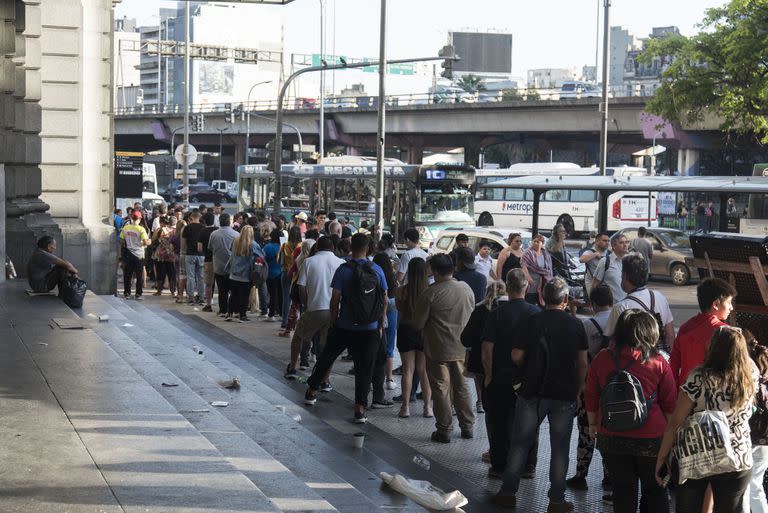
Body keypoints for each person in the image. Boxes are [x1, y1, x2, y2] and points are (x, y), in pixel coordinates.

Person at [493, 277, 588, 512]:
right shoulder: (576, 325)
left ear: (543, 298)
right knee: (559, 447)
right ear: (566, 300)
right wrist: (578, 391)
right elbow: (583, 363)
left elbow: (516, 355)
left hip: (532, 392)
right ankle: (556, 500)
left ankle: (508, 493)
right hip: (564, 394)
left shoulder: (532, 320)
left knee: (520, 443)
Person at [655, 326, 758, 513]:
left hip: (699, 454)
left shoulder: (699, 377)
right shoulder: (751, 374)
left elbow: (676, 421)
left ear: (714, 348)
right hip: (738, 457)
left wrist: (662, 458)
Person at [584, 309, 676, 513]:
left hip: (611, 436)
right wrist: (671, 438)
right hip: (651, 439)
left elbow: (590, 394)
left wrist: (592, 424)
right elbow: (670, 404)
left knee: (623, 491)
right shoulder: (658, 362)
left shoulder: (602, 358)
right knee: (655, 490)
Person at [304, 233, 388, 424]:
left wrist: (335, 321)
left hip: (345, 325)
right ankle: (359, 409)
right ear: (367, 248)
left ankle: (311, 391)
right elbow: (384, 298)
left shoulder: (343, 270)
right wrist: (380, 324)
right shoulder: (377, 270)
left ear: (351, 248)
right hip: (370, 327)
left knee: (327, 357)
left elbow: (335, 300)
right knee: (364, 368)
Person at [479, 269, 542, 478]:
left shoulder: (497, 313)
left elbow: (487, 348)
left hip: (501, 375)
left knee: (499, 421)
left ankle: (499, 466)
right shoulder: (536, 313)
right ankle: (528, 466)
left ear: (507, 286)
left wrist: (488, 374)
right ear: (526, 287)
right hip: (528, 378)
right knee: (529, 422)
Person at [411, 253, 476, 443]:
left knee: (440, 389)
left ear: (436, 272)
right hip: (462, 348)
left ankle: (444, 430)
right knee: (462, 387)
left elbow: (417, 324)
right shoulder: (466, 289)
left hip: (438, 348)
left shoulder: (430, 293)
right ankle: (467, 426)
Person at [566, 284, 614, 491]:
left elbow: (580, 361)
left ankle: (580, 475)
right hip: (613, 389)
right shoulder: (620, 322)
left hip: (590, 389)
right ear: (611, 301)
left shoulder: (586, 326)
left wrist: (578, 390)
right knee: (609, 432)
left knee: (586, 432)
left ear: (593, 304)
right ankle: (609, 477)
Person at [284, 236, 342, 379]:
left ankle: (292, 367)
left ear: (316, 248)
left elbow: (301, 287)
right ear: (333, 248)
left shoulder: (308, 262)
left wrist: (306, 304)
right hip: (334, 311)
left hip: (314, 308)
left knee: (298, 337)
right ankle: (325, 379)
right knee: (326, 346)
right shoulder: (340, 262)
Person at [670, 277, 737, 386]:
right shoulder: (725, 332)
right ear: (715, 304)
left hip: (685, 394)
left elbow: (673, 367)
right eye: (729, 302)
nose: (731, 308)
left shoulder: (684, 328)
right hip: (712, 395)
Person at [604, 254, 675, 353]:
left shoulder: (621, 307)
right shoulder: (659, 297)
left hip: (635, 364)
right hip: (660, 359)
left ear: (625, 275)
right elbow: (670, 335)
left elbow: (610, 342)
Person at [395, 258, 433, 419]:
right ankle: (427, 408)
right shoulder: (430, 291)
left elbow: (399, 309)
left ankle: (405, 407)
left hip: (405, 330)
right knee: (423, 371)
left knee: (407, 370)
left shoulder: (402, 291)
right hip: (423, 331)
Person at [462, 279, 506, 416]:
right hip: (503, 357)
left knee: (480, 377)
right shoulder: (508, 307)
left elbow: (466, 337)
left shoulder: (480, 308)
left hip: (479, 356)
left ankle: (480, 400)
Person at [746, 331, 768, 513]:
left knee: (744, 488)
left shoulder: (745, 374)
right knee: (756, 484)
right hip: (765, 436)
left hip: (747, 436)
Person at [373, 252, 399, 394]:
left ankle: (374, 378)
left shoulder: (374, 274)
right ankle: (389, 380)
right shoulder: (392, 276)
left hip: (378, 307)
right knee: (389, 346)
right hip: (392, 306)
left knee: (375, 344)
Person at [226, 225, 262, 322]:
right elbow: (261, 255)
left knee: (233, 294)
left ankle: (229, 313)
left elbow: (230, 251)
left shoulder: (235, 241)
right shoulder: (253, 244)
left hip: (233, 273)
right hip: (246, 275)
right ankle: (242, 315)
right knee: (244, 296)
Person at [208, 213, 238, 317]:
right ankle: (232, 310)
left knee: (222, 290)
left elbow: (210, 248)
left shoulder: (214, 234)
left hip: (218, 266)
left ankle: (223, 310)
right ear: (229, 222)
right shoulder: (236, 234)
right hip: (232, 267)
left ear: (220, 221)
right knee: (233, 290)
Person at [120, 210, 151, 300]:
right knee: (139, 274)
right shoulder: (141, 229)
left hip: (128, 254)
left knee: (128, 275)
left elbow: (121, 241)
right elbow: (145, 242)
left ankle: (127, 293)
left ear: (131, 218)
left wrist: (128, 244)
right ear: (140, 219)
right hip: (139, 255)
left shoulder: (125, 228)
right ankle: (138, 294)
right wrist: (149, 242)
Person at [591, 233, 630, 303]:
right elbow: (595, 285)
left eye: (626, 242)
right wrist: (593, 304)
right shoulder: (605, 261)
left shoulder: (629, 262)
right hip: (610, 307)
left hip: (626, 306)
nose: (625, 245)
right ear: (614, 246)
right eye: (621, 242)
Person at [279, 226, 302, 332]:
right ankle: (295, 322)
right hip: (297, 275)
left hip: (285, 273)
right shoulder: (302, 246)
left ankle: (284, 322)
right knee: (297, 300)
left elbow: (280, 261)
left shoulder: (284, 245)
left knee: (285, 298)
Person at [521, 233, 553, 306]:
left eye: (538, 242)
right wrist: (528, 278)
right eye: (534, 241)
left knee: (543, 306)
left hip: (543, 283)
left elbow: (547, 269)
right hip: (532, 284)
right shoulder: (527, 253)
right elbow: (524, 267)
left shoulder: (545, 254)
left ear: (542, 244)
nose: (535, 243)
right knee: (529, 303)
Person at [182, 211, 205, 304]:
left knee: (190, 277)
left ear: (191, 218)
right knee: (201, 277)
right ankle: (201, 297)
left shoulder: (187, 228)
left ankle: (190, 297)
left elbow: (183, 243)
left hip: (190, 254)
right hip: (201, 255)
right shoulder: (203, 228)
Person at [151, 216, 177, 296]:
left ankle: (159, 291)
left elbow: (153, 239)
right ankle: (173, 292)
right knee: (172, 274)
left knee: (160, 273)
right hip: (171, 255)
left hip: (161, 255)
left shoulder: (161, 230)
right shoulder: (175, 231)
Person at [580, 232, 611, 298]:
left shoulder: (608, 252)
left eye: (608, 241)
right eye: (604, 241)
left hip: (605, 284)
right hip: (592, 284)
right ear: (597, 241)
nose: (607, 243)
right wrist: (595, 255)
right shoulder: (590, 252)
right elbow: (581, 259)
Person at [198, 213, 218, 312]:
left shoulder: (202, 231)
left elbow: (200, 248)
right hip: (220, 260)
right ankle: (224, 306)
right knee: (222, 284)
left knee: (209, 284)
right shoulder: (218, 230)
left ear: (205, 221)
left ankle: (208, 304)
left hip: (208, 260)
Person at [263, 229, 283, 321]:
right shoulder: (284, 246)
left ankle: (271, 314)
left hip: (270, 273)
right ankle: (282, 313)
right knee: (281, 293)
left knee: (272, 294)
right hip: (282, 273)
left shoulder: (267, 247)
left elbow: (263, 259)